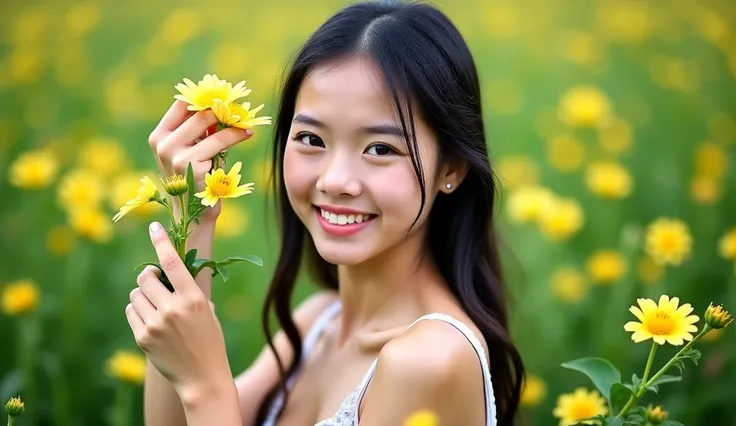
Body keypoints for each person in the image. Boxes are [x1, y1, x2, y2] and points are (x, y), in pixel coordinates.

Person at [125, 1, 525, 425]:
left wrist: (204, 384)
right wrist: (195, 211)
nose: (335, 180)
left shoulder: (429, 361)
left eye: (380, 149)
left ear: (451, 169)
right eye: (312, 139)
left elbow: (205, 401)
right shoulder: (319, 322)